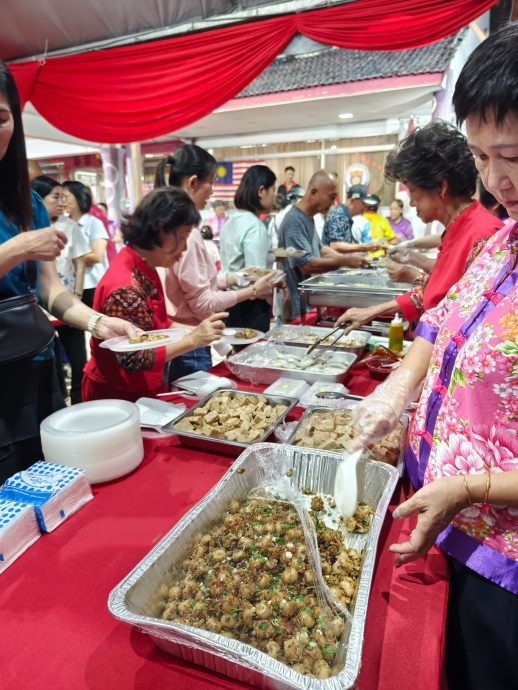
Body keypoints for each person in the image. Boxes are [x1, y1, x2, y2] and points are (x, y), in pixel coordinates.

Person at [350, 23, 518, 689]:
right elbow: (445, 317)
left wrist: (472, 487)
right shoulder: (506, 240)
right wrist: (399, 391)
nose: (495, 179)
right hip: (454, 531)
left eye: (510, 155)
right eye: (480, 159)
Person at [0, 62, 136, 482]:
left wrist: (97, 322)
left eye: (2, 118)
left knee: (50, 483)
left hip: (36, 365)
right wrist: (15, 249)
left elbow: (50, 289)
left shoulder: (26, 201)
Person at [337, 122, 503, 330]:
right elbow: (436, 291)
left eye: (413, 191)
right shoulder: (456, 228)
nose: (412, 202)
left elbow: (470, 321)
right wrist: (370, 312)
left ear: (442, 187)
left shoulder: (483, 235)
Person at [82, 188, 227, 402]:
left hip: (140, 387)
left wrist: (200, 333)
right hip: (118, 396)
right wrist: (193, 339)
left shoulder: (144, 263)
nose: (185, 247)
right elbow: (135, 358)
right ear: (162, 232)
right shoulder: (125, 289)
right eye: (184, 237)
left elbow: (158, 326)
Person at [156, 145, 275, 379]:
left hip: (185, 334)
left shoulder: (177, 224)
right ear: (192, 183)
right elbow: (202, 303)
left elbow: (194, 281)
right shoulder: (186, 232)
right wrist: (252, 290)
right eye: (210, 182)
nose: (212, 190)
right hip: (189, 339)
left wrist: (234, 277)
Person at [31, 175, 90, 404]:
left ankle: (78, 400)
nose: (61, 202)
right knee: (51, 361)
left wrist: (77, 294)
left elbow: (80, 261)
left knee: (78, 359)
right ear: (37, 199)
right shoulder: (28, 228)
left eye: (63, 196)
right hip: (38, 307)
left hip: (64, 301)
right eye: (55, 197)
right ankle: (59, 400)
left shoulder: (69, 226)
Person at [277, 171, 365, 319]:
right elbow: (306, 264)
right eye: (331, 197)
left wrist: (349, 261)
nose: (333, 202)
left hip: (308, 303)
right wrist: (345, 261)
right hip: (297, 307)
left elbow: (321, 249)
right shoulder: (294, 221)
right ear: (313, 192)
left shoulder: (307, 218)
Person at [219, 165, 279, 332]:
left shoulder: (230, 221)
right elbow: (256, 275)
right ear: (261, 191)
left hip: (231, 301)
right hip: (250, 305)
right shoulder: (255, 227)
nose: (274, 197)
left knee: (236, 351)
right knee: (252, 353)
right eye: (273, 190)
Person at [62, 181, 109, 309]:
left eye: (66, 196)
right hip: (69, 285)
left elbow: (97, 255)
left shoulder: (93, 223)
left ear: (79, 197)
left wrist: (69, 257)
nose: (62, 201)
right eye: (59, 197)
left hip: (92, 284)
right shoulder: (63, 224)